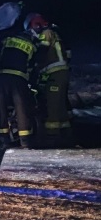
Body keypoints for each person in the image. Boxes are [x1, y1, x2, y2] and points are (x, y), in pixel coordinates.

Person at [26, 13, 72, 147]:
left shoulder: (46, 33)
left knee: (52, 105)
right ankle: (66, 133)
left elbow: (41, 53)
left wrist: (31, 63)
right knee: (60, 105)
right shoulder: (54, 32)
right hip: (61, 73)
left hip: (55, 74)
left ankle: (52, 137)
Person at [0, 29, 39, 148]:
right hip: (19, 80)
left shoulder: (7, 40)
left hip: (1, 78)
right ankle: (25, 141)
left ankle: (3, 140)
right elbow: (32, 68)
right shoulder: (32, 46)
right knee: (22, 109)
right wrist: (33, 85)